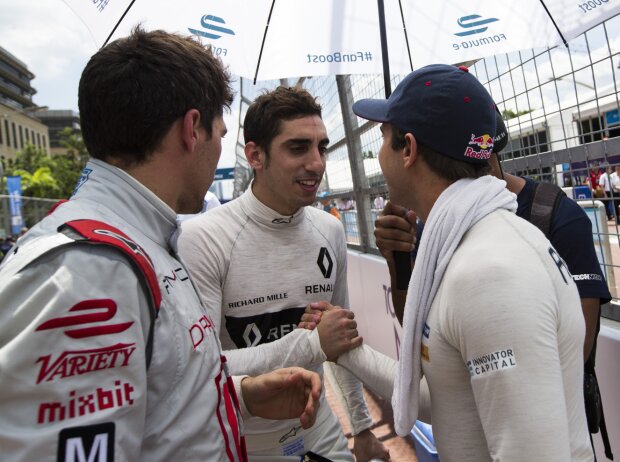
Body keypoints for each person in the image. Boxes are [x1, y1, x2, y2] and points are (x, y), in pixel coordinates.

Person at [0, 28, 325, 461]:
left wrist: (239, 396)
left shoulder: (137, 244)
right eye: (219, 132)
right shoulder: (89, 271)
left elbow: (154, 400)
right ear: (193, 129)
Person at [311, 64, 593, 461]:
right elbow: (450, 396)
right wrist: (345, 351)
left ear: (407, 149)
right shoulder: (474, 241)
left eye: (384, 138)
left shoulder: (488, 273)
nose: (378, 154)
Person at [178, 86, 389, 461]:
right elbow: (202, 367)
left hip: (319, 426)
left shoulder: (330, 230)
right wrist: (311, 343)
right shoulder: (203, 237)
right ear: (255, 155)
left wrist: (361, 427)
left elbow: (340, 343)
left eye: (321, 147)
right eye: (297, 148)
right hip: (243, 440)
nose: (317, 163)